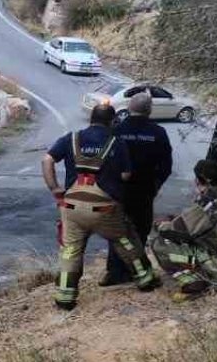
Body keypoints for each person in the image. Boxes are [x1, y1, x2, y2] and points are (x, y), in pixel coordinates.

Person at [42, 103, 159, 310]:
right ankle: (145, 279)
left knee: (70, 250)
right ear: (112, 121)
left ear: (91, 119)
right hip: (104, 209)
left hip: (71, 206)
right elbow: (126, 175)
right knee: (126, 240)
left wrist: (54, 188)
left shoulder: (72, 138)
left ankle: (65, 297)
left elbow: (47, 159)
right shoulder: (116, 142)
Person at [149, 160, 217, 301]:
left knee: (161, 243)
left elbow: (174, 230)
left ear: (198, 180)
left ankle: (193, 283)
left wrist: (160, 224)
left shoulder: (208, 203)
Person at [103, 91, 173, 285]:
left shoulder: (116, 130)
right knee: (140, 231)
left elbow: (105, 162)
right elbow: (166, 166)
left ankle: (115, 272)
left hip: (119, 191)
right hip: (145, 190)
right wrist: (155, 186)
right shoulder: (158, 132)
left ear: (129, 108)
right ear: (149, 110)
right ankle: (137, 272)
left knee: (117, 231)